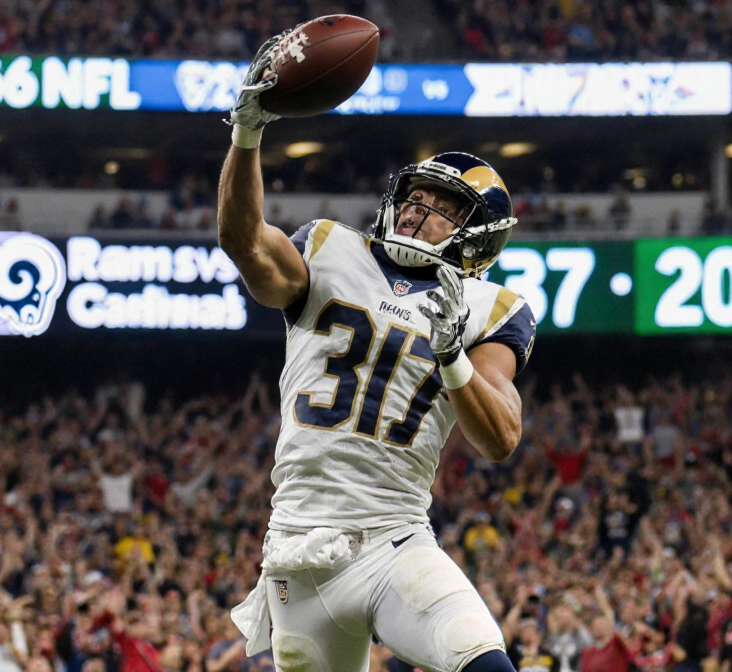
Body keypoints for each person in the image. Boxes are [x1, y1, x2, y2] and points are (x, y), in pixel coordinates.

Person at [219, 28, 536, 672]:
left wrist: (453, 356)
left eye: (443, 208)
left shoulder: (490, 307)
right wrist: (247, 133)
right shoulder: (329, 247)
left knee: (484, 662)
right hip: (300, 547)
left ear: (477, 237)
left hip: (395, 538)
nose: (419, 212)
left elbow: (501, 437)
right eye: (416, 197)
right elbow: (244, 241)